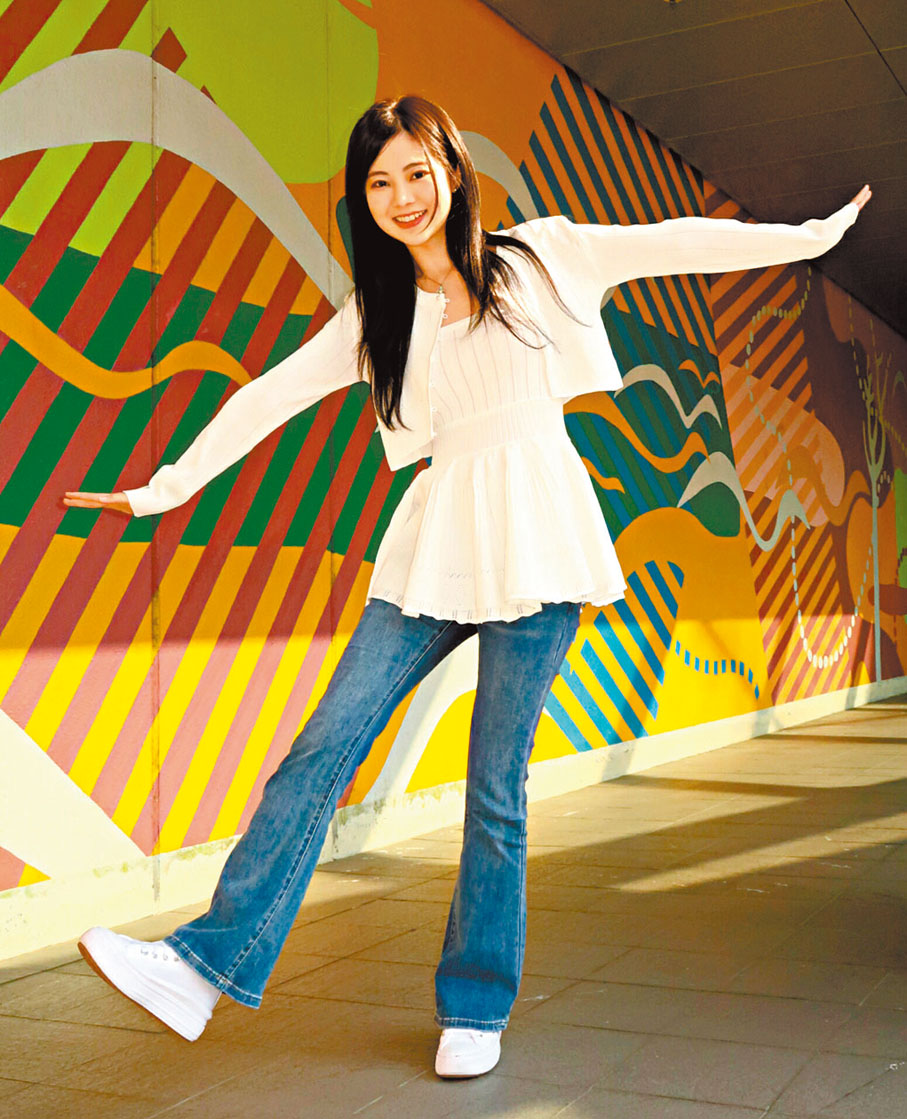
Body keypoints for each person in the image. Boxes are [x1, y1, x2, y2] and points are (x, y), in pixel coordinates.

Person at [65, 95, 871, 1078]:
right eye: (379, 183)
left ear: (451, 170)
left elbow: (674, 242)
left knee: (495, 786)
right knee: (322, 747)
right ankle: (202, 967)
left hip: (539, 534)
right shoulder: (375, 316)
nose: (402, 196)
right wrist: (164, 490)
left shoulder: (542, 256)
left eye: (417, 171)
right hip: (439, 538)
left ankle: (476, 1006)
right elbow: (266, 397)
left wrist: (808, 237)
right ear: (363, 201)